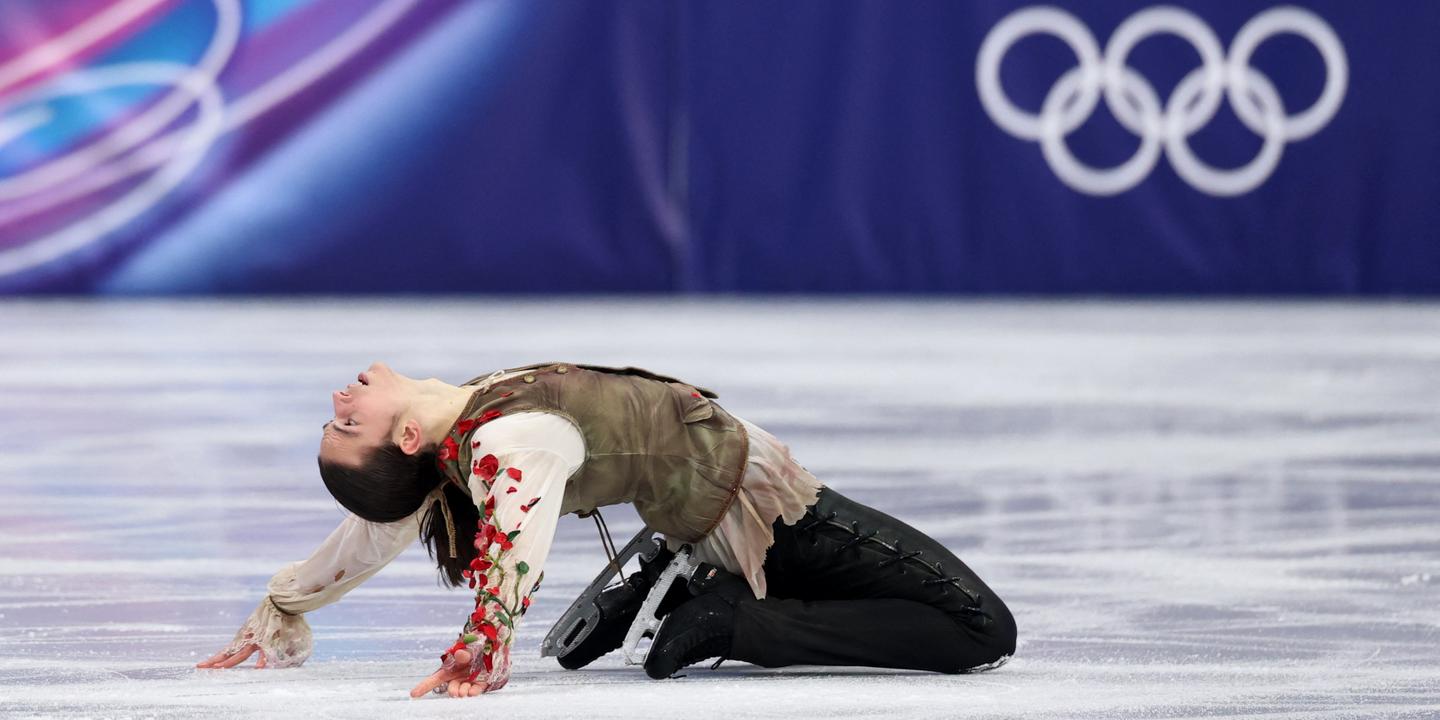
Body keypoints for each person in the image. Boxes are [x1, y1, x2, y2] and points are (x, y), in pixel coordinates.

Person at [195, 361, 1016, 698]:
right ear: (403, 439)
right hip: (769, 516)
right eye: (346, 424)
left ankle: (675, 577)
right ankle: (728, 613)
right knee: (980, 629)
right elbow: (514, 531)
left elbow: (371, 530)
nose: (338, 402)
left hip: (710, 510)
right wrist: (486, 638)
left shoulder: (464, 426)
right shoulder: (502, 441)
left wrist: (286, 602)